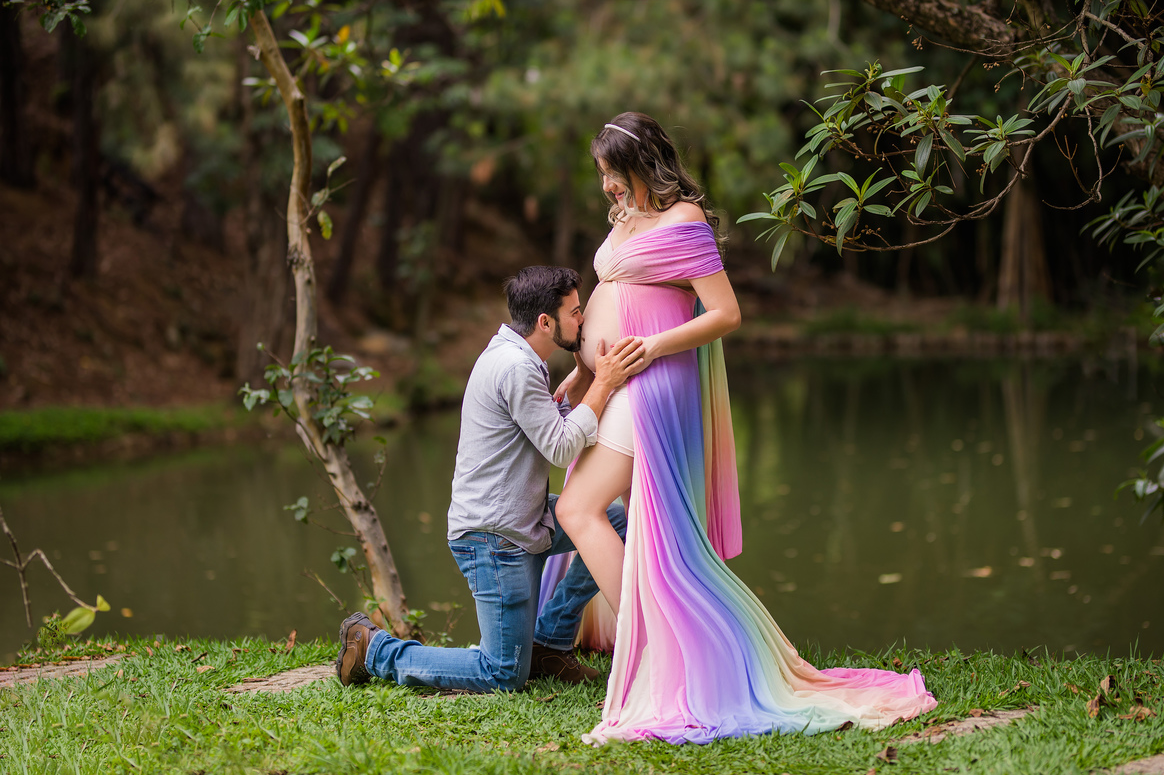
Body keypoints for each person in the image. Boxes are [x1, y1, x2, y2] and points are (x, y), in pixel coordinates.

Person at [551, 113, 938, 745]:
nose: (606, 188)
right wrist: (581, 373)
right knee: (636, 526)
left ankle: (654, 650)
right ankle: (659, 646)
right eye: (601, 176)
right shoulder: (628, 222)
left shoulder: (685, 221)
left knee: (580, 508)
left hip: (651, 383)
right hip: (616, 381)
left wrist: (649, 348)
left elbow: (726, 312)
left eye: (611, 174)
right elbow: (608, 291)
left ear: (641, 165)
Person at [335, 265, 646, 692]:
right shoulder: (515, 367)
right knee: (502, 673)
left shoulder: (520, 356)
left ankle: (551, 643)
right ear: (545, 322)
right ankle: (373, 649)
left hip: (525, 518)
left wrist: (587, 378)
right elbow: (559, 447)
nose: (584, 320)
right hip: (494, 537)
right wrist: (606, 383)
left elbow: (549, 425)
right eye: (575, 313)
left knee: (616, 521)